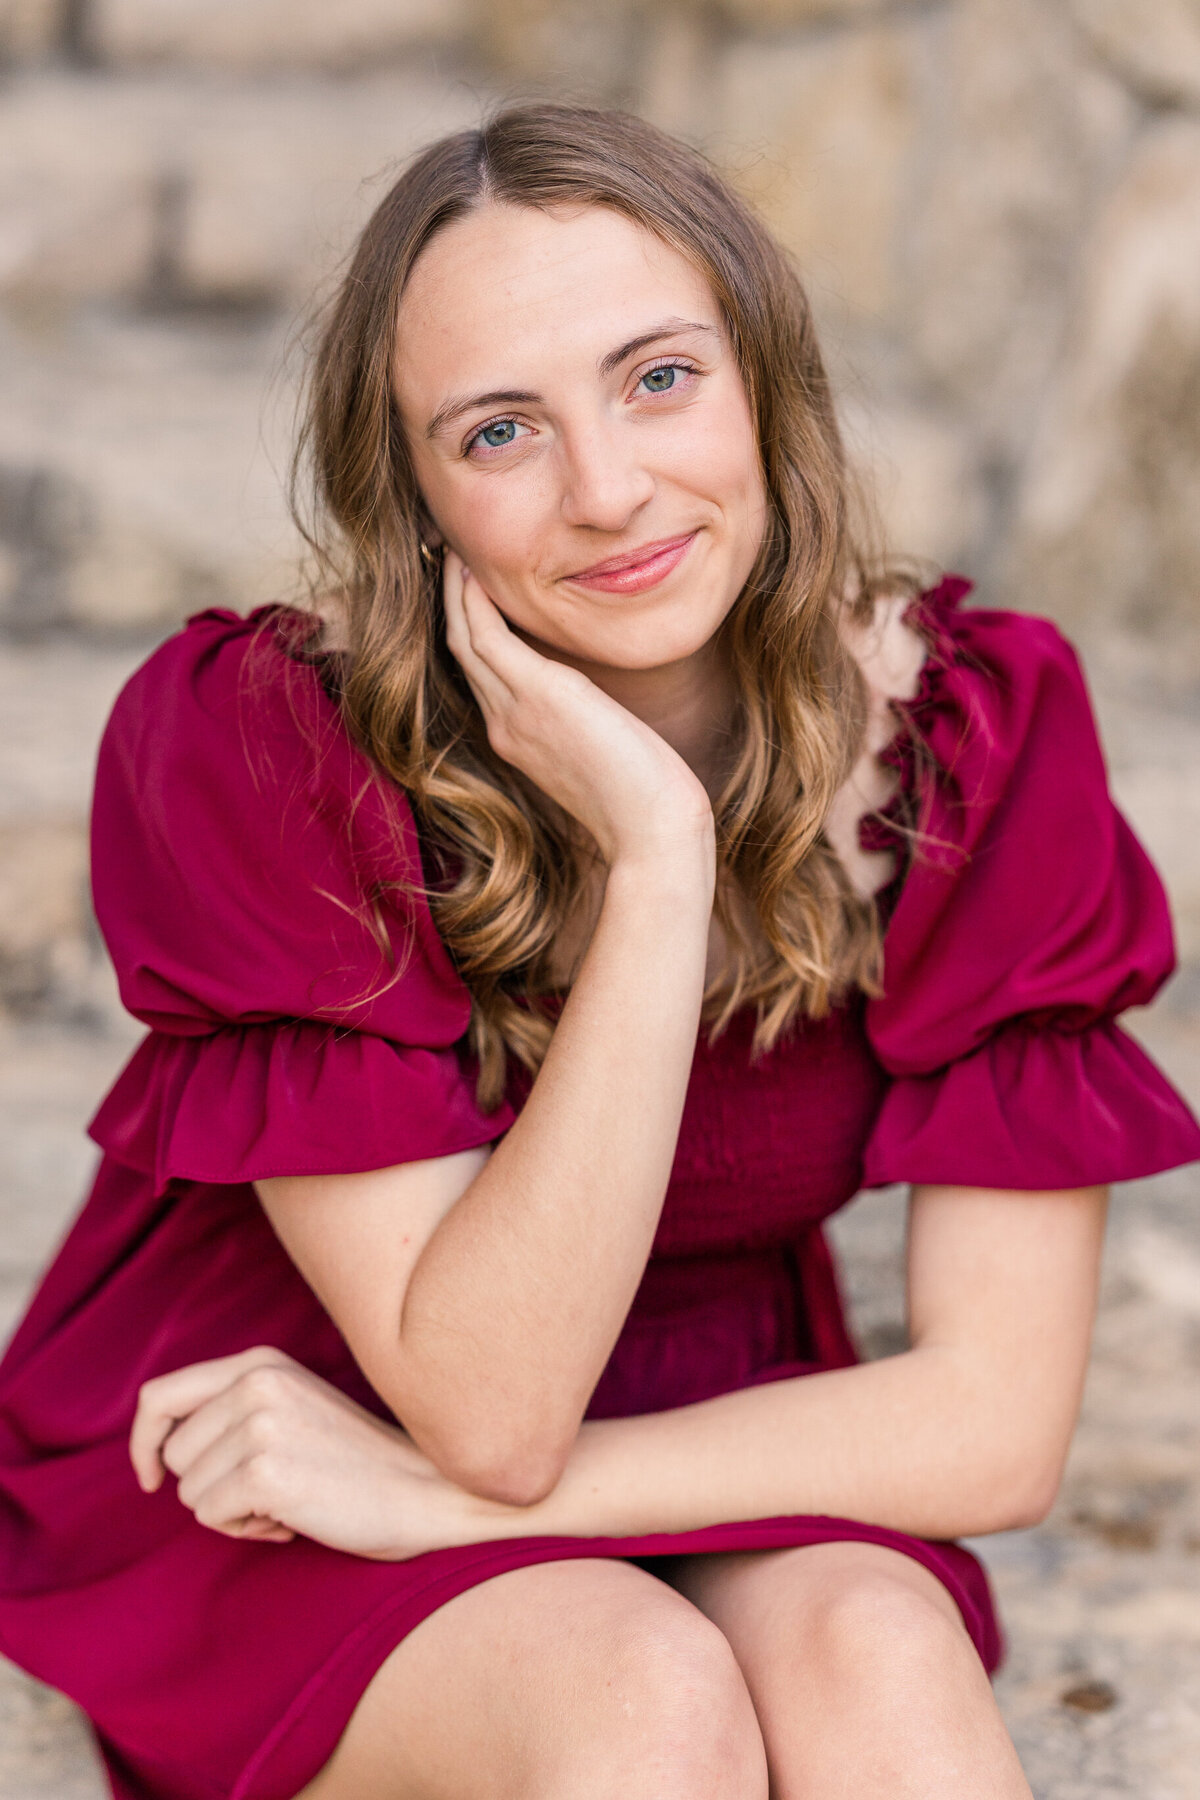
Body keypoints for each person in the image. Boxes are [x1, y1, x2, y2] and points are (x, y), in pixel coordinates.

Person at [1, 102, 1198, 1800]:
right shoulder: (258, 741)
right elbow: (484, 1405)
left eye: (658, 378)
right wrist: (656, 859)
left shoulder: (975, 730)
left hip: (685, 1405)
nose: (608, 489)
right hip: (295, 1426)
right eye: (498, 432)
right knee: (644, 1704)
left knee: (878, 1661)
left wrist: (454, 1493)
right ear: (409, 497)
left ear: (767, 378)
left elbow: (995, 1427)